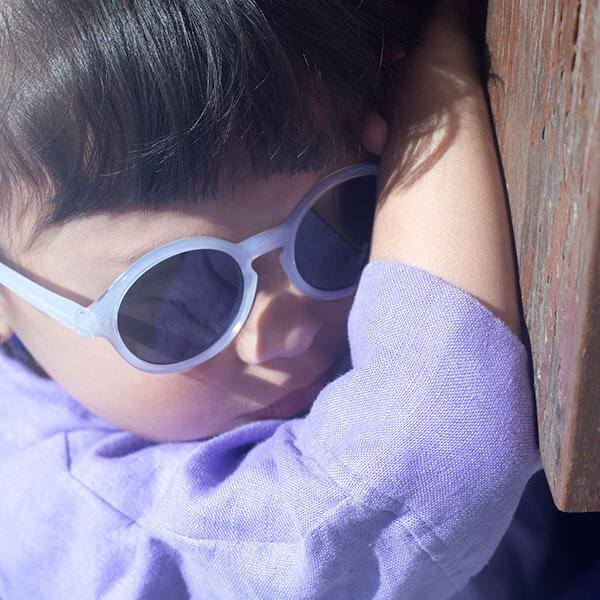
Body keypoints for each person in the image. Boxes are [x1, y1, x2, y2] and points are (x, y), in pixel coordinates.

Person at [0, 0, 541, 598]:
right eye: (182, 295)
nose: (289, 331)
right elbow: (426, 456)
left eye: (336, 216)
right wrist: (438, 90)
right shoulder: (86, 534)